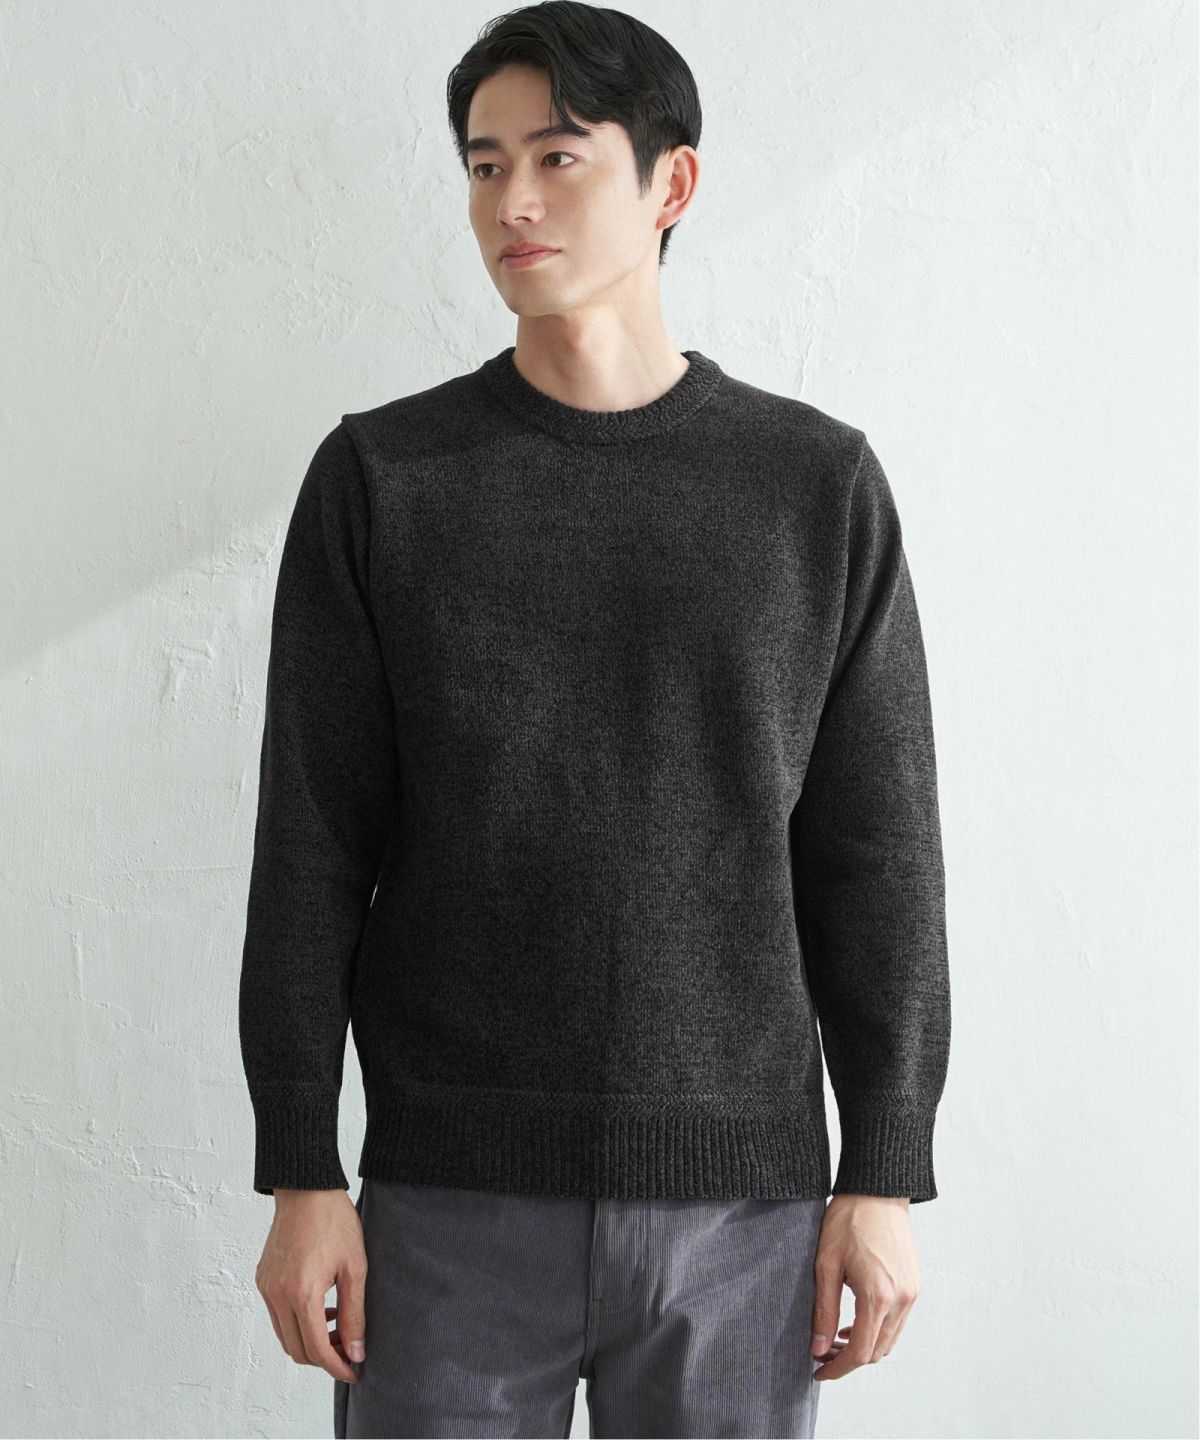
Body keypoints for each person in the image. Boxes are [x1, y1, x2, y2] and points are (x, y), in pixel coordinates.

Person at [237, 4, 952, 1436]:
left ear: (670, 181)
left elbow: (877, 856)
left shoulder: (814, 488)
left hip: (741, 1218)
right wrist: (300, 1166)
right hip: (445, 1205)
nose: (511, 201)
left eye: (557, 157)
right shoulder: (384, 480)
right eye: (483, 163)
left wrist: (884, 1167)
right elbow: (311, 847)